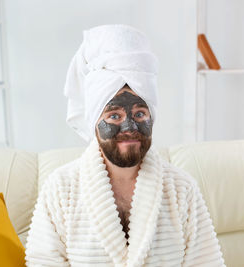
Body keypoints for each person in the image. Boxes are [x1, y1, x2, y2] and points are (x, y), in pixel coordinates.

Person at [25, 24, 226, 266]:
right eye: (114, 116)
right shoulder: (60, 190)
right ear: (94, 122)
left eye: (140, 114)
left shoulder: (182, 190)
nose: (129, 126)